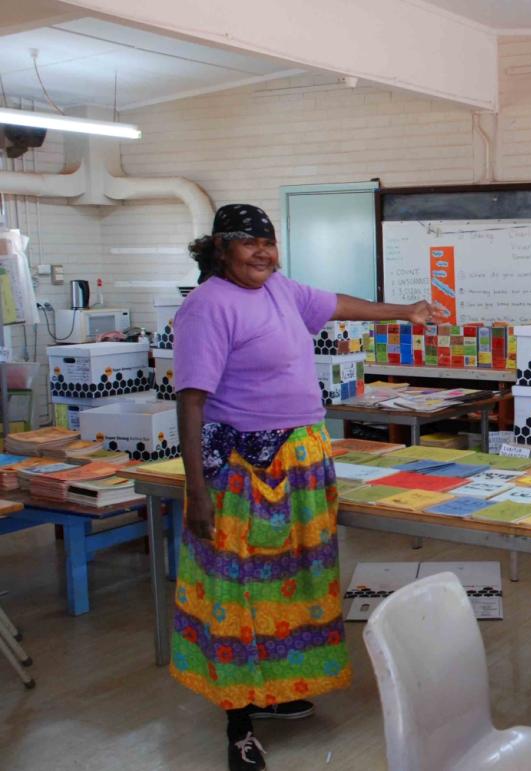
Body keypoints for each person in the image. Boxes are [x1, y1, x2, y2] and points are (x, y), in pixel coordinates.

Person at [170, 203, 446, 771]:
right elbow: (191, 402)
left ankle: (274, 688)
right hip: (244, 472)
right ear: (221, 248)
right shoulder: (208, 307)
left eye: (269, 242)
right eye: (250, 244)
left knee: (295, 580)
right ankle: (238, 718)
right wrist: (196, 492)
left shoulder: (281, 290)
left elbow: (338, 303)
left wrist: (405, 311)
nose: (263, 253)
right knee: (239, 589)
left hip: (299, 462)